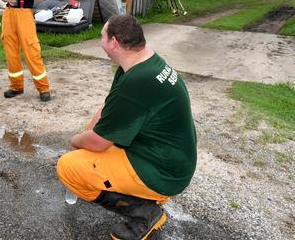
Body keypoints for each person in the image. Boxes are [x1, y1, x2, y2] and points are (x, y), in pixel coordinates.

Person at [56, 15, 197, 240]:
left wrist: (76, 141)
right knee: (88, 144)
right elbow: (109, 106)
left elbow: (99, 142)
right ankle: (146, 195)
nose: (100, 41)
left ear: (113, 42)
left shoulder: (137, 81)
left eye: (102, 36)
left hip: (165, 173)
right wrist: (87, 136)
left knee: (69, 167)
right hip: (162, 156)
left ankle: (144, 213)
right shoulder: (140, 64)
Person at [0, 0, 51, 102]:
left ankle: (43, 88)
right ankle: (16, 86)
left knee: (31, 50)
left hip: (25, 15)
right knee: (11, 52)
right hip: (9, 15)